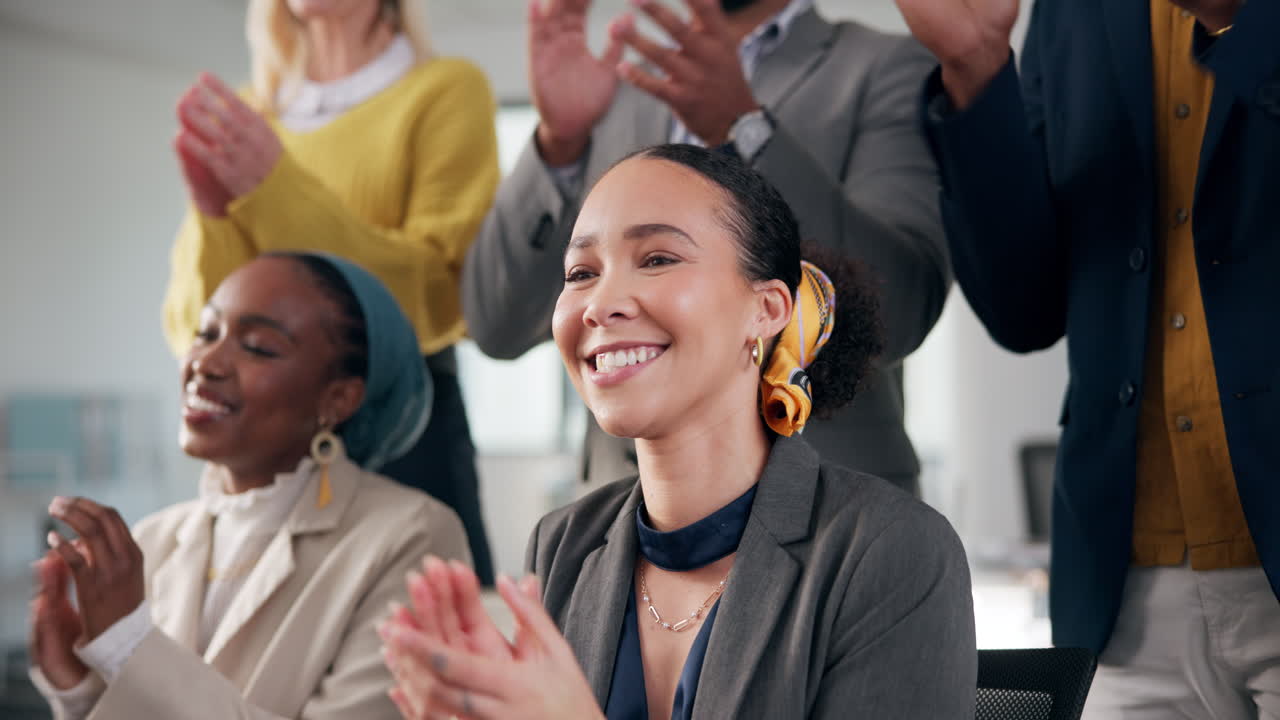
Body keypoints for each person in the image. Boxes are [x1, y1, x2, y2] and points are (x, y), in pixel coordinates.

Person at [379, 145, 976, 719]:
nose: (600, 303)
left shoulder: (889, 550)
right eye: (581, 272)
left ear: (767, 310)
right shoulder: (564, 544)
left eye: (658, 258)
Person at [894, 0, 1280, 715]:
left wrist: (1238, 22)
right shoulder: (1073, 12)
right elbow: (1024, 308)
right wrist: (977, 74)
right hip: (1123, 589)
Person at [464, 0, 952, 495]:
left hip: (830, 511)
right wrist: (560, 146)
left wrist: (745, 129)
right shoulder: (620, 86)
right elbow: (496, 326)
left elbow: (900, 312)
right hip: (619, 515)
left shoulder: (886, 66)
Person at [29, 253, 471, 719]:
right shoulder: (152, 540)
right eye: (206, 333)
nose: (207, 362)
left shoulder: (413, 538)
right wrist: (79, 690)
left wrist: (128, 643)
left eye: (258, 346)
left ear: (337, 399)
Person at [162, 0, 499, 584]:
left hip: (404, 429)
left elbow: (440, 295)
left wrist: (274, 189)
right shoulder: (250, 114)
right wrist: (216, 216)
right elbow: (195, 324)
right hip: (265, 438)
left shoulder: (445, 90)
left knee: (425, 651)